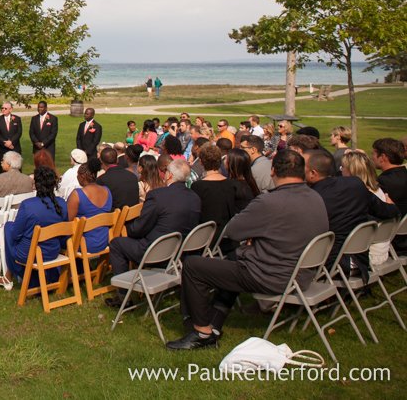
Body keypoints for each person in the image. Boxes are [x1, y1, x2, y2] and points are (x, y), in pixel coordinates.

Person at [166, 151, 329, 350]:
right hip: (302, 273)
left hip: (273, 275)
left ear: (273, 171)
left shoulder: (270, 202)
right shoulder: (315, 197)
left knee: (193, 265)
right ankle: (214, 324)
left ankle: (201, 331)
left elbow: (233, 230)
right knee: (233, 259)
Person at [105, 158, 201, 307]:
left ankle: (123, 297)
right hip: (179, 251)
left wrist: (127, 228)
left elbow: (139, 228)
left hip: (155, 251)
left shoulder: (158, 196)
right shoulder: (194, 197)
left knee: (117, 243)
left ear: (169, 175)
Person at [305, 148, 399, 274]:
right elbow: (389, 211)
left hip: (330, 262)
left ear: (313, 172)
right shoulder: (356, 185)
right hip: (358, 257)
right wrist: (392, 206)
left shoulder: (313, 197)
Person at [0, 166, 68, 290]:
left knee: (8, 228)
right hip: (52, 251)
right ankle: (11, 277)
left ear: (36, 184)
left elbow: (15, 234)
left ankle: (11, 276)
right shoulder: (61, 203)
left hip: (30, 254)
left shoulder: (28, 205)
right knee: (15, 231)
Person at [191, 147, 255, 257]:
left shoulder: (197, 186)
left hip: (205, 238)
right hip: (225, 235)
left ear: (201, 162)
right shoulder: (232, 184)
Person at [342, 149, 396, 267]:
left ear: (352, 172)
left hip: (362, 256)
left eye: (343, 168)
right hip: (381, 250)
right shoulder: (378, 191)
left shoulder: (359, 197)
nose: (341, 171)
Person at [66, 161, 113, 254]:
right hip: (104, 241)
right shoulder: (107, 191)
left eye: (77, 175)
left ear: (82, 176)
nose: (77, 177)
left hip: (83, 243)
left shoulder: (77, 194)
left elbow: (68, 223)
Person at [372, 138, 407, 254]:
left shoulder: (383, 183)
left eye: (374, 154)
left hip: (392, 238)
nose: (372, 157)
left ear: (383, 157)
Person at [0, 101, 23, 171]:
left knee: (17, 167)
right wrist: (5, 143)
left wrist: (11, 142)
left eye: (5, 108)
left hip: (15, 147)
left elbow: (19, 132)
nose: (3, 109)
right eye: (2, 108)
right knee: (3, 168)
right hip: (3, 148)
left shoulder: (17, 119)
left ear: (11, 109)